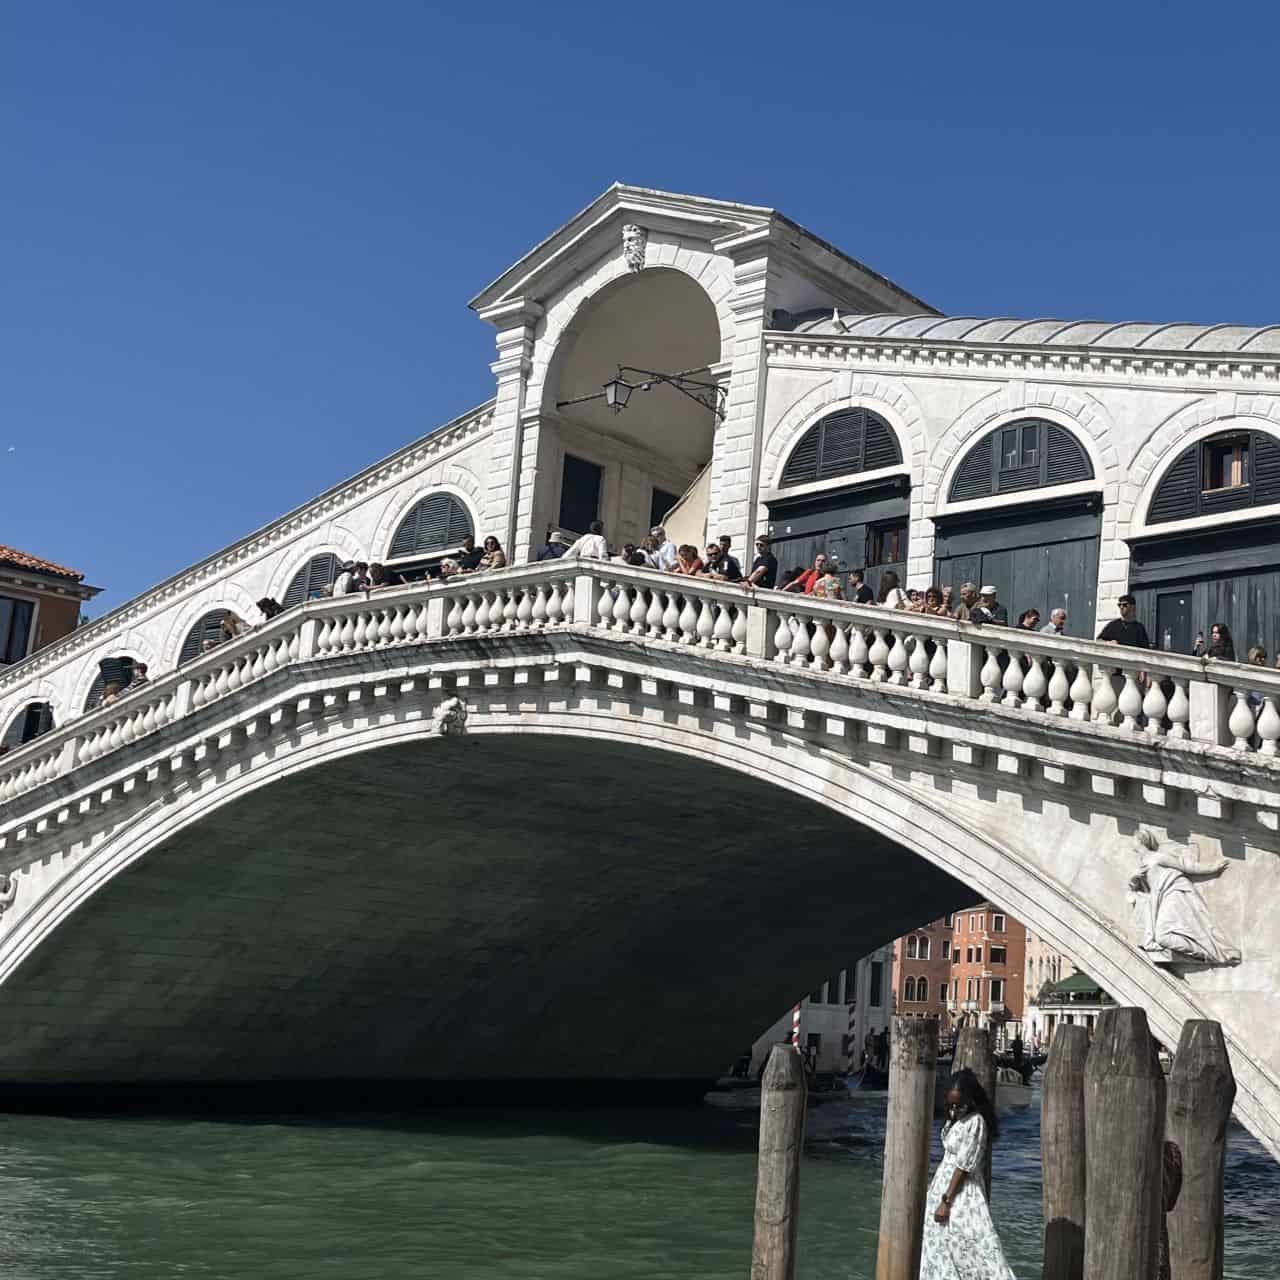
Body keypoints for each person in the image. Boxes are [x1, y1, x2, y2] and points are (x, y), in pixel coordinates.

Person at [920, 1068, 1016, 1280]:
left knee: (973, 1246)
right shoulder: (956, 1119)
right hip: (943, 1188)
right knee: (939, 1246)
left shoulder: (975, 1122)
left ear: (971, 1099)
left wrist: (946, 1201)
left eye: (959, 1104)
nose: (954, 1110)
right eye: (950, 1105)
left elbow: (963, 1165)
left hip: (960, 1193)